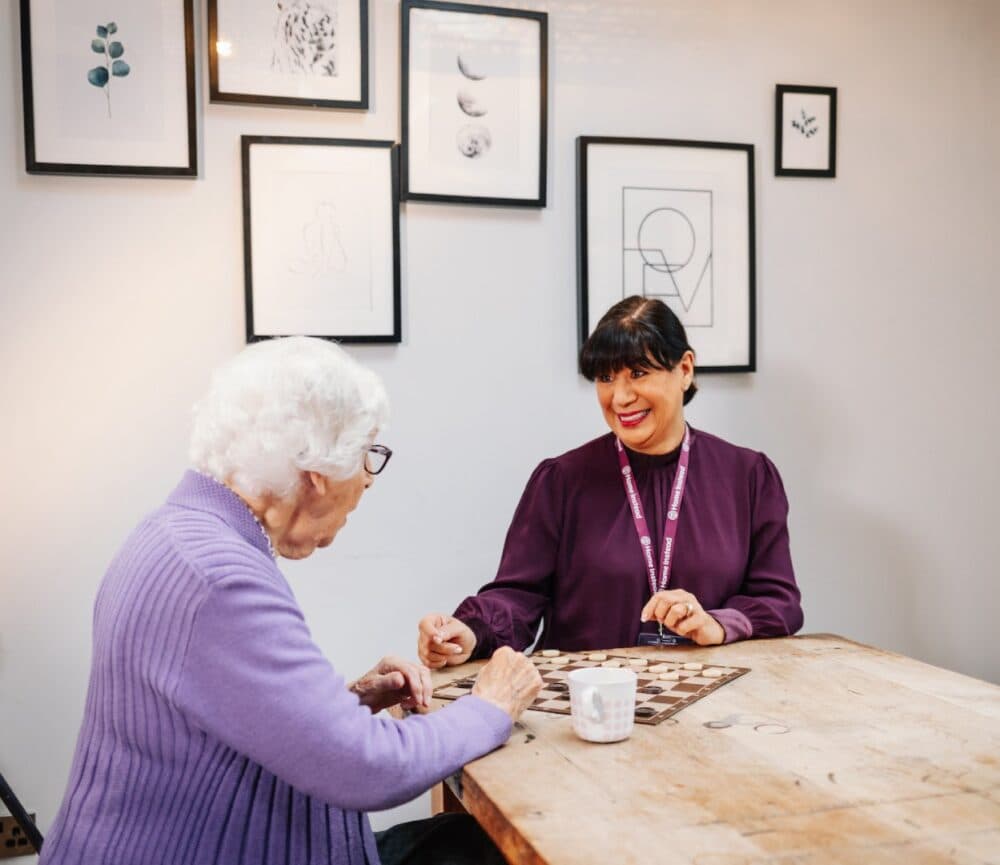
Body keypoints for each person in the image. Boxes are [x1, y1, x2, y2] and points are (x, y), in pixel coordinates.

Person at [40, 337, 542, 865]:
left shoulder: (177, 533)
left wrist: (347, 705)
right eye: (367, 455)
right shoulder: (220, 579)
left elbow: (227, 716)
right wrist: (492, 706)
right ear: (318, 471)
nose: (368, 482)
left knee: (460, 843)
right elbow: (367, 768)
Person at [418, 296, 803, 669]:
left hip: (715, 711)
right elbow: (518, 596)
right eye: (605, 377)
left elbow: (779, 602)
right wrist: (469, 631)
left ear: (685, 369)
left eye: (638, 373)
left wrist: (718, 623)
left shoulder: (749, 477)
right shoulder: (561, 481)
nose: (620, 397)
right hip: (585, 708)